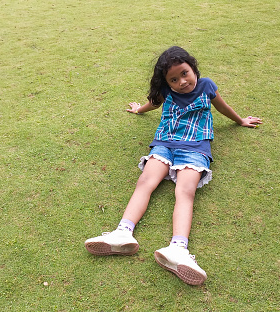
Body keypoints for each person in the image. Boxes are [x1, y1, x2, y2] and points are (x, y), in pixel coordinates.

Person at [84, 46, 263, 285]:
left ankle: (178, 249)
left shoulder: (206, 86)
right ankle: (122, 234)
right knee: (145, 182)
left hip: (196, 147)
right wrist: (139, 109)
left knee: (185, 192)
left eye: (185, 73)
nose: (182, 82)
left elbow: (221, 107)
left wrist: (240, 120)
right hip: (165, 143)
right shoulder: (166, 93)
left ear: (194, 69)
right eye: (174, 79)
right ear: (167, 83)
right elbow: (153, 103)